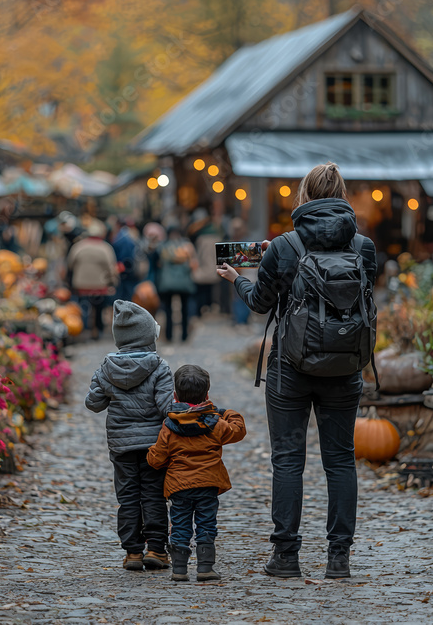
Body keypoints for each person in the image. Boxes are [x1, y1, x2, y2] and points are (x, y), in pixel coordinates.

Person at [216, 162, 377, 580]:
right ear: (342, 195)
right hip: (345, 368)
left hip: (291, 368)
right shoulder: (364, 247)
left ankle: (285, 556)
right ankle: (338, 557)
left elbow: (259, 303)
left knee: (288, 461)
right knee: (341, 461)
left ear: (304, 196)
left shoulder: (285, 247)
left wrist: (238, 277)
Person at [84, 300, 173, 571]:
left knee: (128, 497)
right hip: (153, 446)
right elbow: (168, 408)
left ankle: (133, 552)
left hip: (121, 446)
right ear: (148, 336)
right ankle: (156, 550)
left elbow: (93, 403)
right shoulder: (159, 366)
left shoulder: (107, 368)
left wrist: (106, 386)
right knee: (154, 495)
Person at [147, 365, 246, 582]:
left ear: (175, 396)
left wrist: (150, 454)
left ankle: (179, 570)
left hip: (179, 486)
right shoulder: (216, 424)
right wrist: (226, 412)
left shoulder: (169, 425)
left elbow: (156, 459)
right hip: (208, 485)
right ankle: (205, 568)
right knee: (207, 524)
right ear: (207, 395)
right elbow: (238, 430)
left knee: (180, 524)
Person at [66, 220, 118, 340]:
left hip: (81, 284)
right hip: (100, 285)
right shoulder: (106, 248)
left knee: (83, 307)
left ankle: (83, 329)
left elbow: (70, 264)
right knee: (99, 308)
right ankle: (97, 329)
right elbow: (111, 269)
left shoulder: (78, 246)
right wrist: (113, 282)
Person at [156, 226, 197, 342]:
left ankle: (169, 335)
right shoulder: (187, 247)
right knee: (184, 309)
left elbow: (158, 263)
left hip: (167, 283)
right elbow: (193, 264)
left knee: (168, 310)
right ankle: (184, 335)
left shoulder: (163, 246)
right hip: (184, 282)